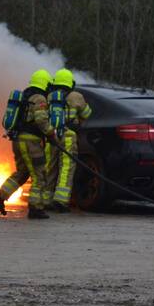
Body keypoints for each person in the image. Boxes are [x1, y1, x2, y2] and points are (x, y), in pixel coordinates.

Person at [0, 69, 58, 219]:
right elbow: (41, 120)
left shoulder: (25, 97)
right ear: (45, 84)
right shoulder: (39, 98)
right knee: (39, 175)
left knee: (22, 173)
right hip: (31, 143)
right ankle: (35, 209)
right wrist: (51, 134)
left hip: (18, 141)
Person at [44, 68, 93, 213]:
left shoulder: (50, 96)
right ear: (70, 83)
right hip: (68, 136)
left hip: (51, 136)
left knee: (49, 167)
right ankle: (60, 201)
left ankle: (45, 200)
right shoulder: (76, 96)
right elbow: (87, 113)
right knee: (66, 168)